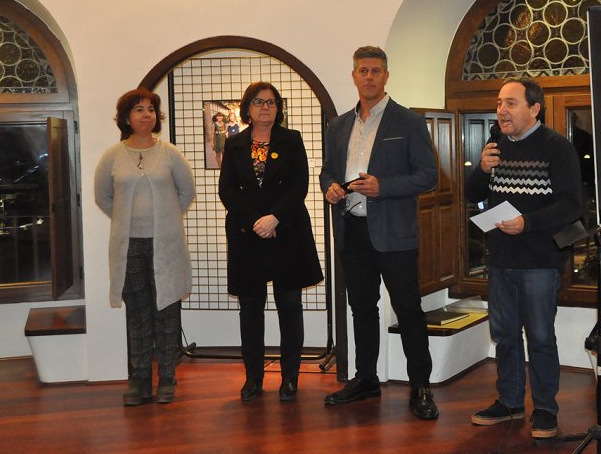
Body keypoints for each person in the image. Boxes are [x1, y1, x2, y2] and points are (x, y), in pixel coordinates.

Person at [319, 46, 439, 420]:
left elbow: (429, 176)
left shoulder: (408, 122)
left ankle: (420, 386)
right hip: (352, 230)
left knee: (408, 310)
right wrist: (331, 188)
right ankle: (366, 377)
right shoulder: (338, 125)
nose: (369, 77)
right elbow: (327, 172)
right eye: (362, 71)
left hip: (395, 234)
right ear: (353, 76)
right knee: (361, 310)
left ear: (386, 76)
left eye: (375, 71)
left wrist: (382, 186)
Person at [466, 78, 583, 439]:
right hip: (500, 257)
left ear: (534, 109)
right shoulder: (495, 145)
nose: (502, 110)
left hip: (539, 260)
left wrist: (527, 222)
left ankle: (546, 408)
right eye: (500, 102)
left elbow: (571, 205)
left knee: (540, 336)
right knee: (504, 335)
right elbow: (472, 194)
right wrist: (481, 170)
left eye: (511, 103)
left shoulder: (556, 147)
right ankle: (510, 401)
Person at [218, 81, 323, 402]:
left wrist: (274, 217)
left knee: (290, 306)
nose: (266, 107)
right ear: (247, 108)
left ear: (279, 109)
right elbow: (228, 191)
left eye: (272, 102)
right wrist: (256, 221)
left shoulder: (291, 140)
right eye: (259, 102)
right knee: (250, 309)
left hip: (287, 231)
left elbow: (299, 186)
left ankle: (290, 378)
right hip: (247, 236)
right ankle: (253, 378)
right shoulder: (234, 143)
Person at [94, 88, 196, 406]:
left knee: (166, 311)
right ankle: (139, 380)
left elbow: (186, 192)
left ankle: (167, 378)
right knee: (137, 315)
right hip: (129, 247)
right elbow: (103, 197)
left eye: (151, 109)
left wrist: (163, 220)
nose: (146, 114)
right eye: (139, 109)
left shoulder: (170, 154)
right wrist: (130, 222)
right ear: (126, 117)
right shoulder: (112, 155)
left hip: (166, 245)